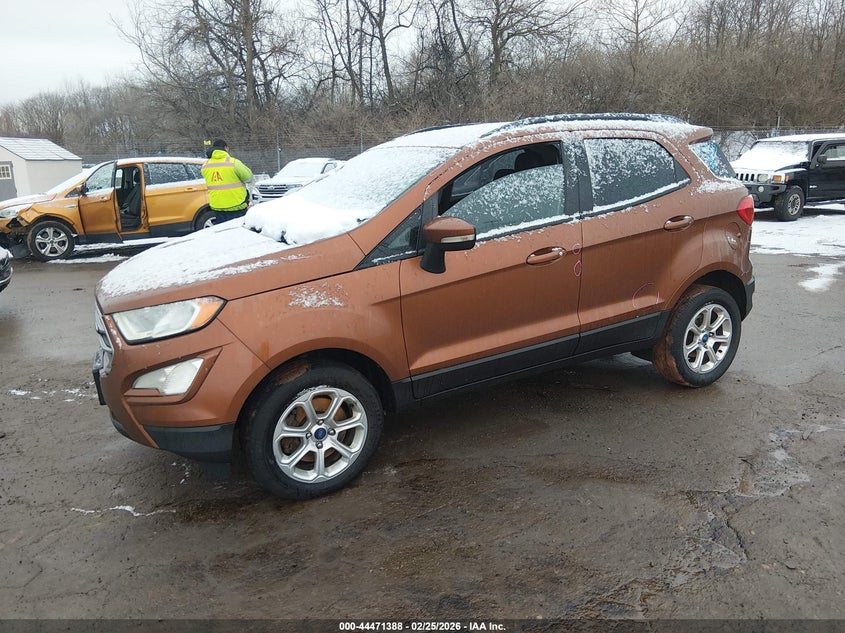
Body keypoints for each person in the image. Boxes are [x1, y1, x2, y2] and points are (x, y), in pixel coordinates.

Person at [201, 138, 254, 222]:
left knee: (223, 232)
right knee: (238, 231)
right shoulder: (233, 163)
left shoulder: (205, 165)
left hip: (217, 206)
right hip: (237, 205)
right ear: (226, 148)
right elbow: (249, 178)